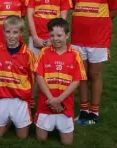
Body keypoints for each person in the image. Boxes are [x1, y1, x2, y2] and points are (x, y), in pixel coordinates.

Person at [70, 0, 117, 125]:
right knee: (82, 75)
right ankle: (83, 110)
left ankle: (95, 111)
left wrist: (100, 24)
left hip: (98, 40)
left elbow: (114, 9)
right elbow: (72, 7)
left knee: (95, 74)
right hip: (78, 39)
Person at [34, 18, 87, 146]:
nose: (55, 38)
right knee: (41, 139)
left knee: (67, 142)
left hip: (65, 105)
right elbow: (39, 76)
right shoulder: (44, 52)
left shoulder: (75, 54)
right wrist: (51, 98)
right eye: (52, 35)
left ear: (67, 35)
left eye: (59, 35)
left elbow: (77, 80)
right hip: (46, 103)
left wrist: (59, 100)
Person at [0, 15, 36, 139]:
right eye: (8, 32)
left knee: (22, 137)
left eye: (15, 32)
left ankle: (15, 119)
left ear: (21, 33)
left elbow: (34, 79)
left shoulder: (28, 54)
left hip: (20, 100)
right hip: (2, 98)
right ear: (3, 32)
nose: (11, 36)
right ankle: (8, 119)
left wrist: (31, 98)